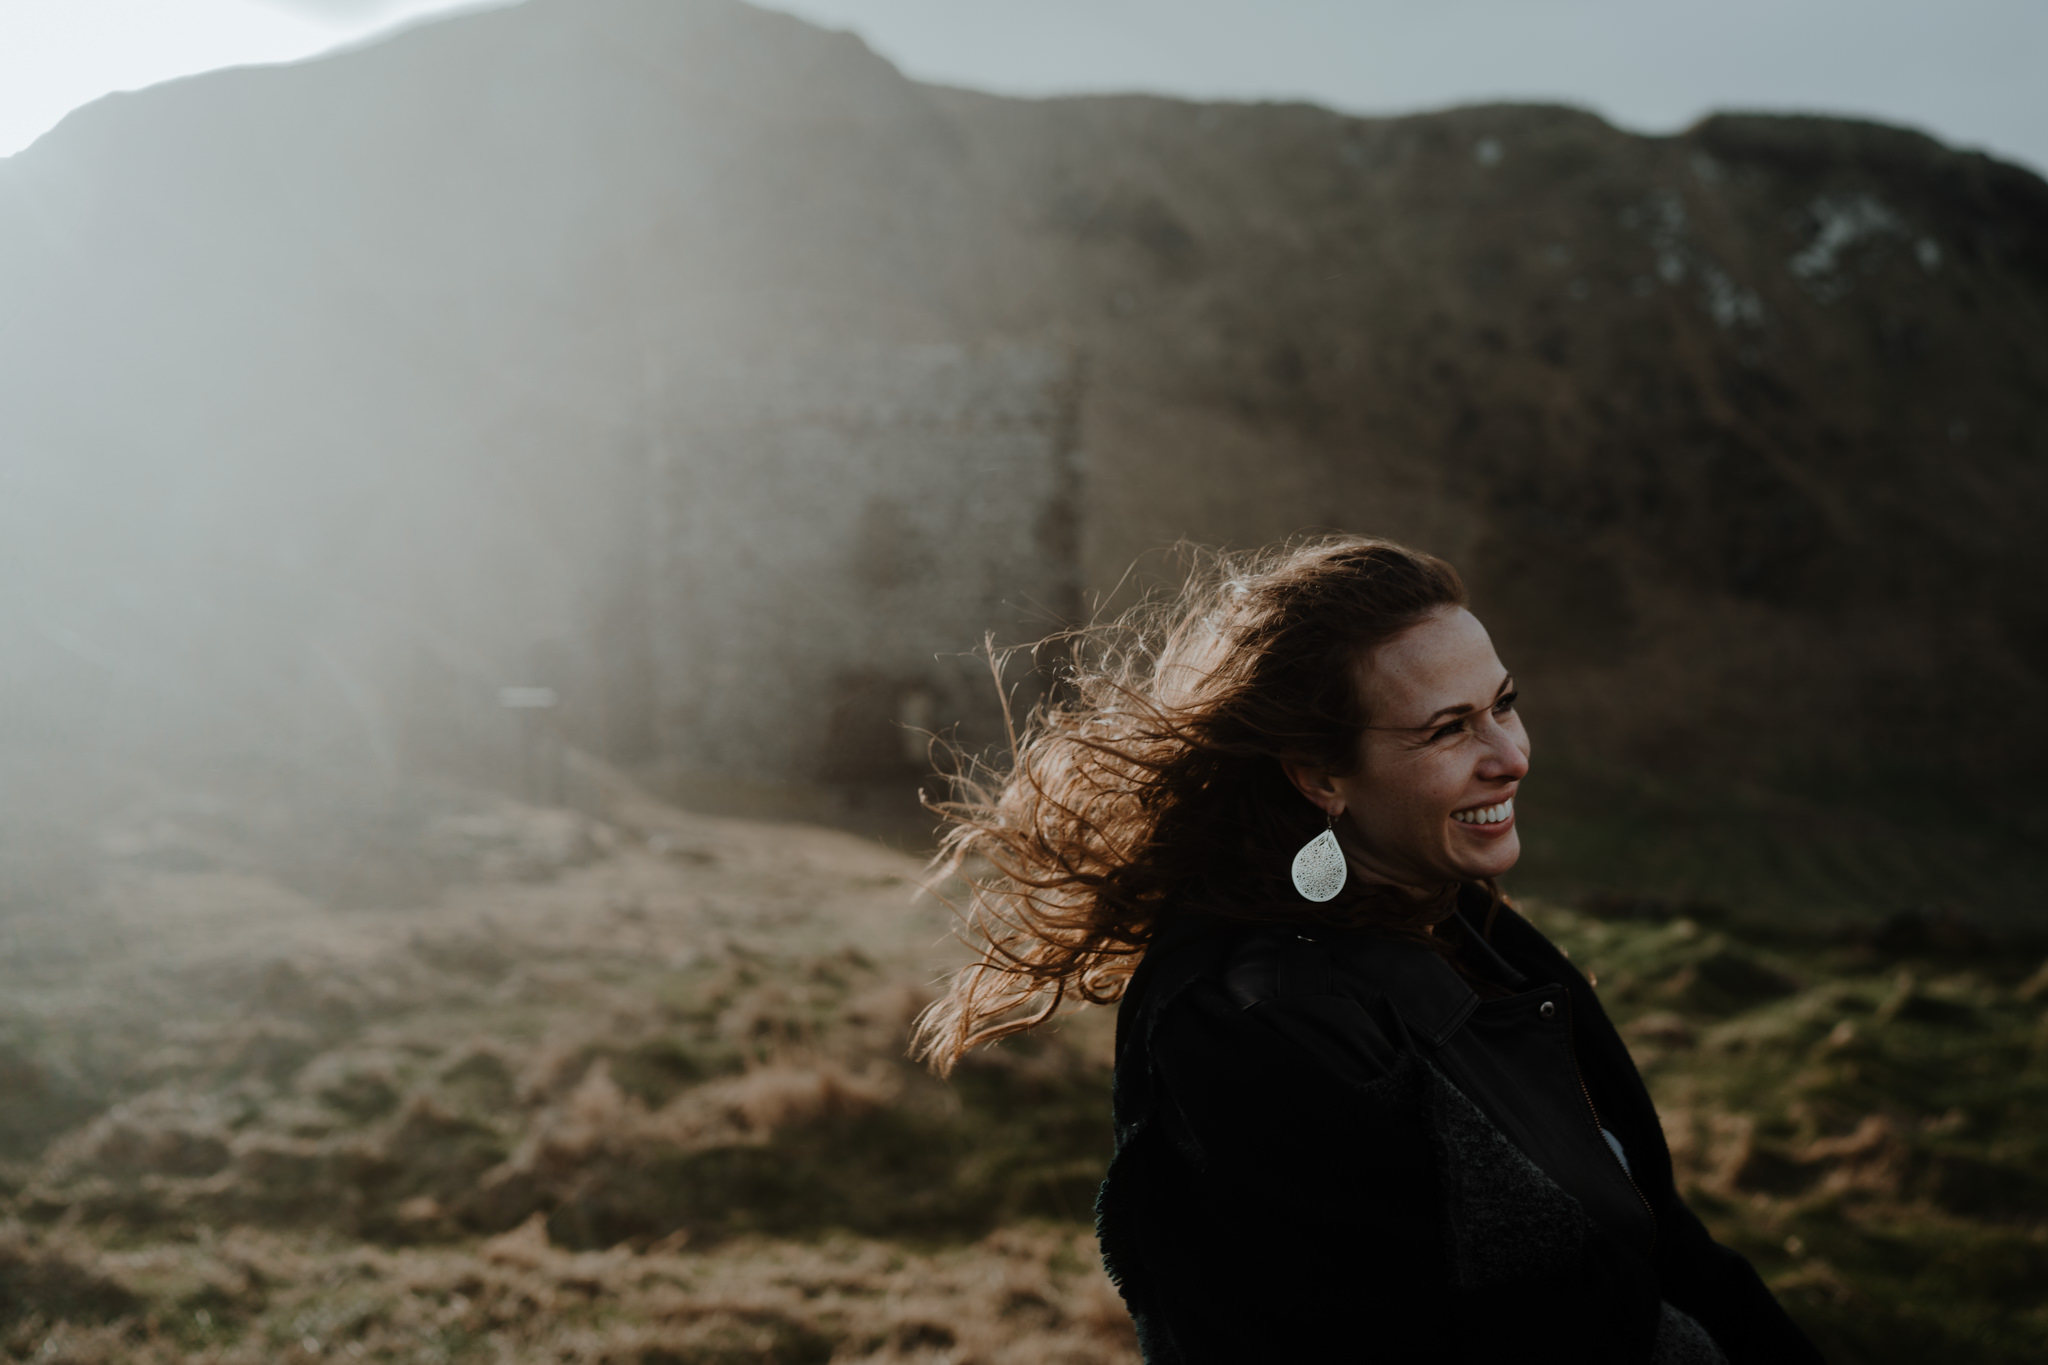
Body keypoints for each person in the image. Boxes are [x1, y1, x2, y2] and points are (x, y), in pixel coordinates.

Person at [913, 536, 1822, 1364]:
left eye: (1503, 705)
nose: (1511, 755)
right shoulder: (1255, 1020)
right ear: (1318, 774)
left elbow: (1661, 1238)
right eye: (1448, 728)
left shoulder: (1466, 923)